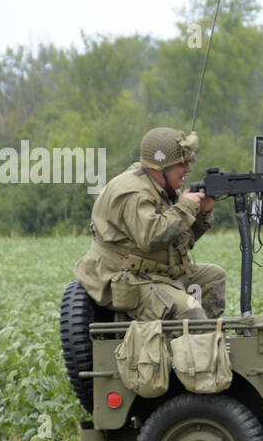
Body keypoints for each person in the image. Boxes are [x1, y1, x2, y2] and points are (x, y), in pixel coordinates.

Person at [73, 127, 226, 321]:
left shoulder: (159, 186)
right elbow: (152, 237)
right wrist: (185, 207)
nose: (188, 169)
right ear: (160, 168)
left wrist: (202, 213)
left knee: (213, 277)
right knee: (190, 311)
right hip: (127, 279)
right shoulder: (134, 193)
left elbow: (177, 241)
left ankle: (204, 336)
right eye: (182, 164)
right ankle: (196, 343)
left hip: (156, 272)